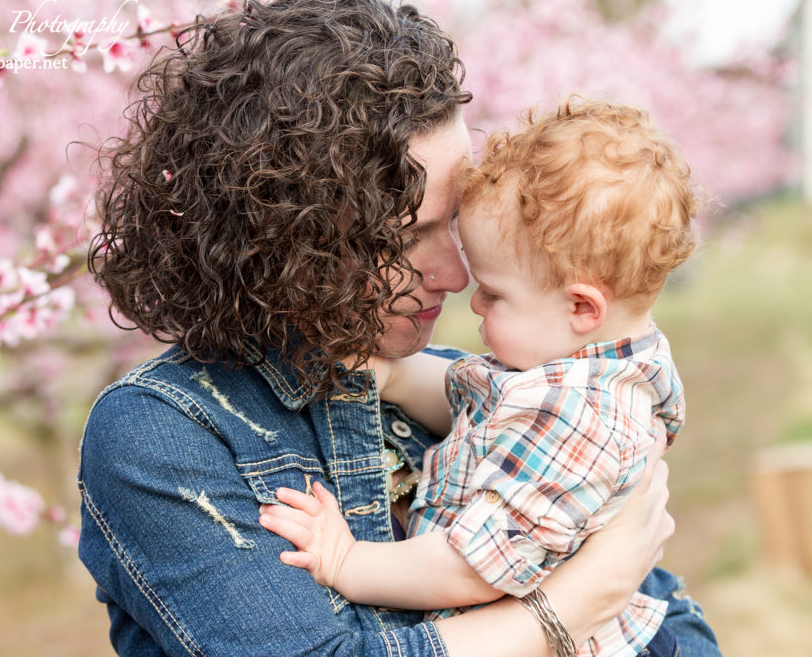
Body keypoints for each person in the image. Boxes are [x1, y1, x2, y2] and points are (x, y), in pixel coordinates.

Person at [79, 0, 720, 655]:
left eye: (457, 222)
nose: (458, 273)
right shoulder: (165, 433)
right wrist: (575, 603)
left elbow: (678, 630)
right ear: (288, 235)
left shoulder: (490, 389)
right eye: (407, 237)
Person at [258, 100, 704, 656]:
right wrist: (392, 377)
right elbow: (478, 404)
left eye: (494, 293)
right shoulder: (581, 369)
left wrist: (347, 560)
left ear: (582, 307)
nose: (472, 299)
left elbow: (474, 567)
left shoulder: (583, 415)